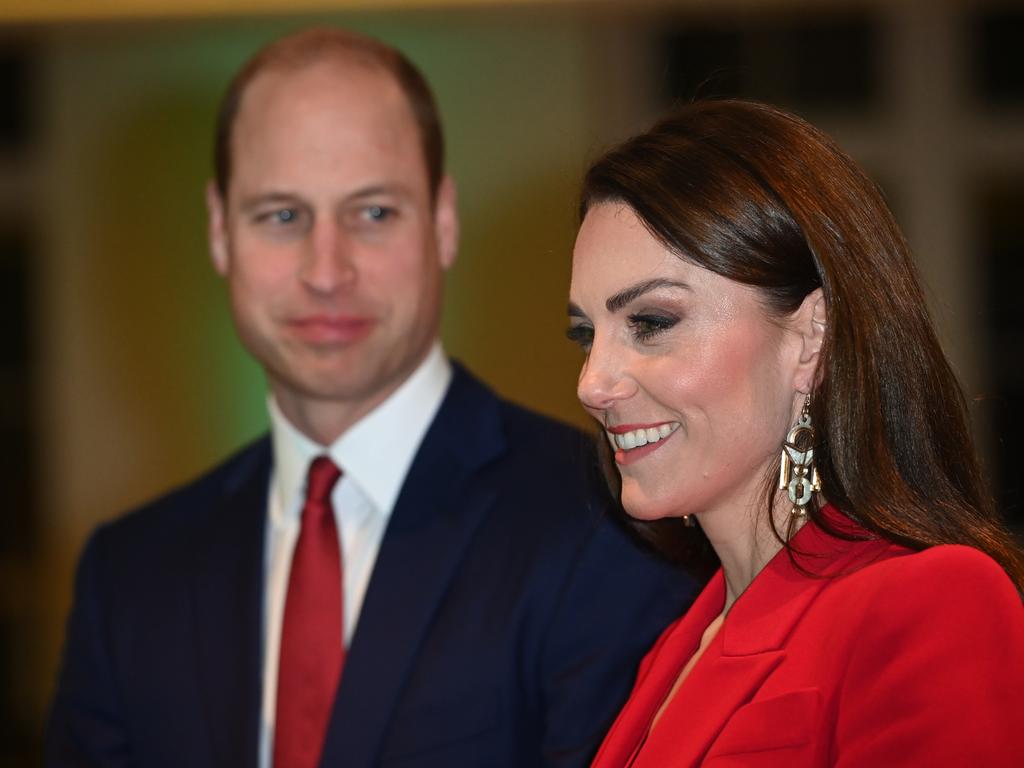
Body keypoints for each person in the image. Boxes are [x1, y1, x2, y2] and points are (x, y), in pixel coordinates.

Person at [45, 27, 696, 768]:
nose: (327, 270)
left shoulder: (606, 523)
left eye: (373, 212)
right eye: (282, 216)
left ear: (442, 222)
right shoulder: (127, 575)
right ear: (221, 231)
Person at [566, 99, 1024, 767]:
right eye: (586, 334)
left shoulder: (929, 602)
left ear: (812, 335)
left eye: (652, 322)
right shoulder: (678, 647)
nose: (592, 382)